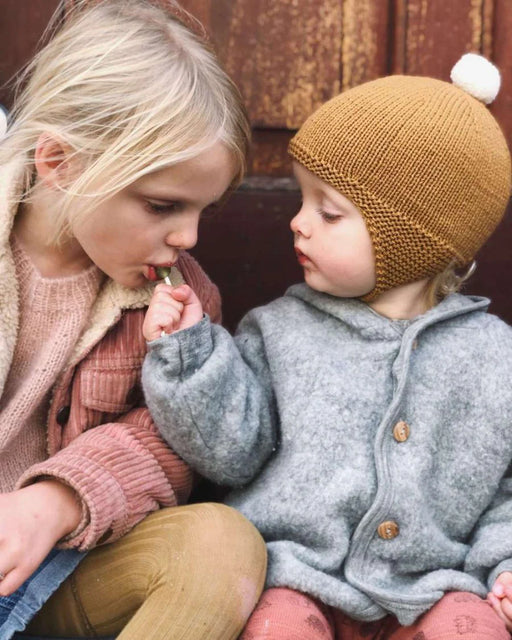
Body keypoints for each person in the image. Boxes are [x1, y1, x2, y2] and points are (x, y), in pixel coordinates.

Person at [142, 53, 512, 639]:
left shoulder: (495, 359)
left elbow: (507, 492)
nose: (298, 222)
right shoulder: (278, 331)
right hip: (296, 578)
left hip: (433, 588)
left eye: (330, 212)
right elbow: (231, 454)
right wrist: (190, 357)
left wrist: (506, 563)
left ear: (414, 242)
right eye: (301, 200)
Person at [0, 0, 267, 638]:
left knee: (221, 544)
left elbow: (165, 444)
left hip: (57, 569)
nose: (188, 237)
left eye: (202, 210)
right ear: (60, 163)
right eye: (162, 205)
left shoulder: (176, 302)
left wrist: (56, 502)